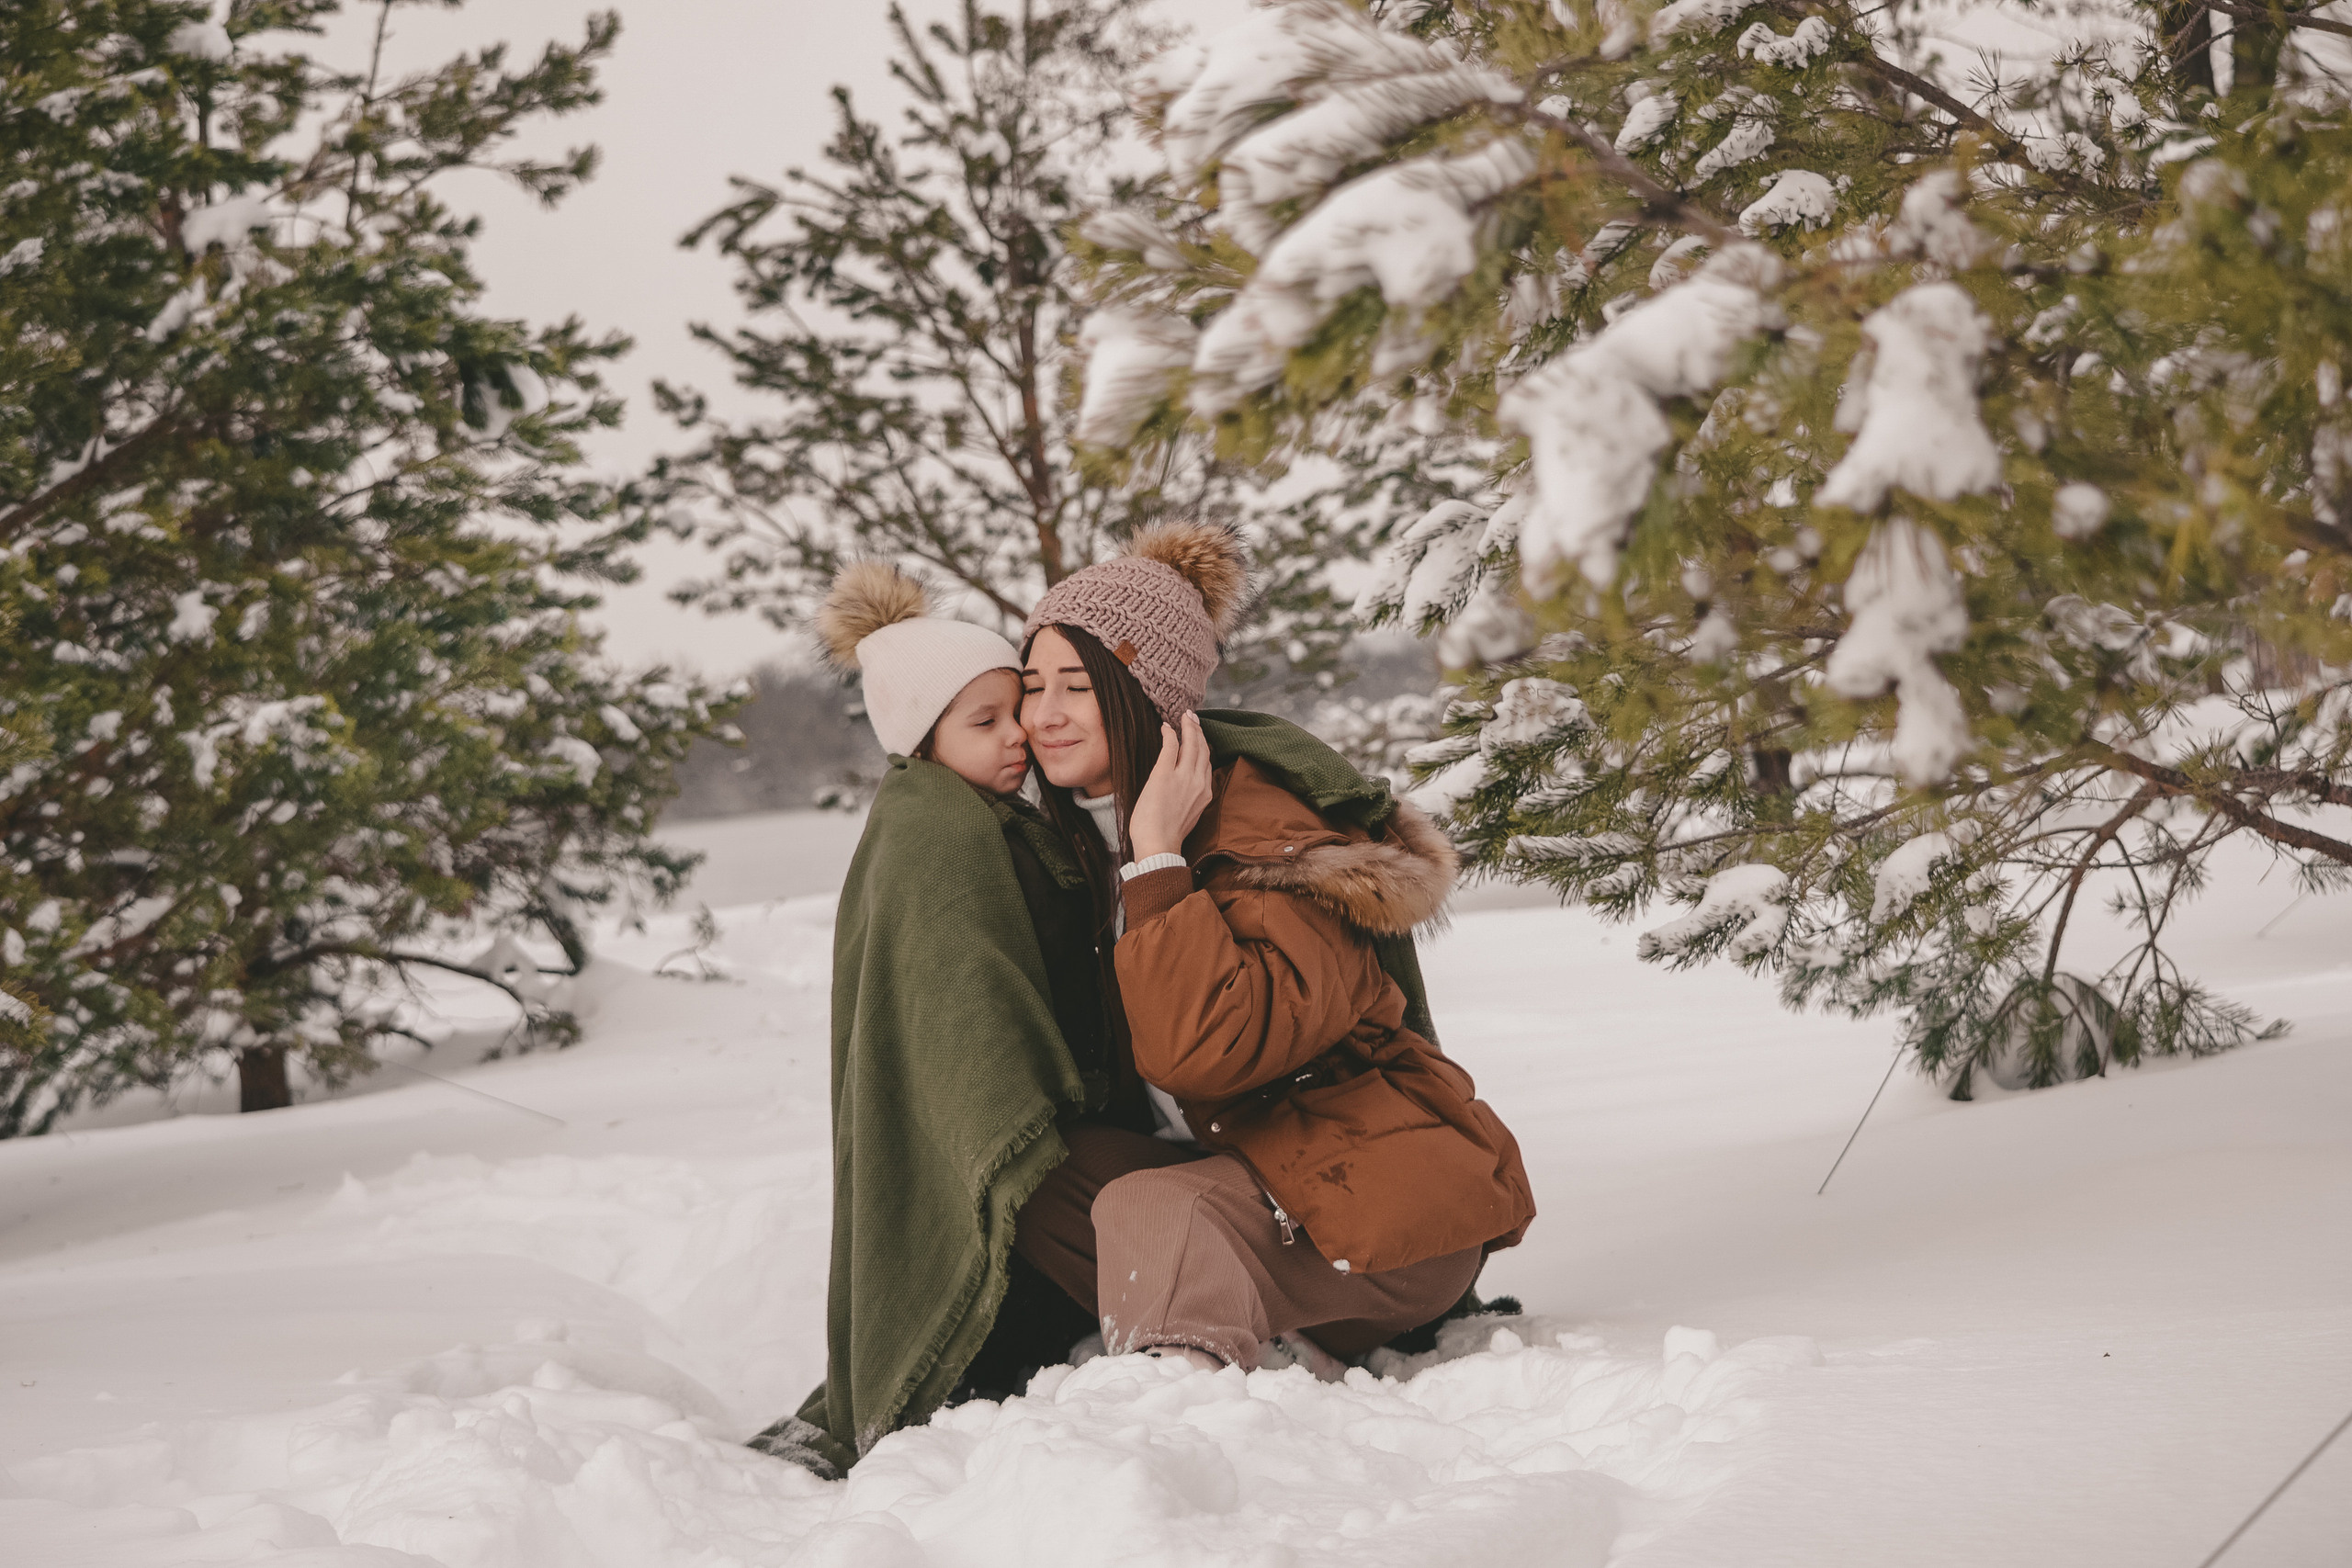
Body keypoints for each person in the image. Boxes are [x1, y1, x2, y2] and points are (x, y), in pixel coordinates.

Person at [1015, 522, 1537, 1374]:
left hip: (1378, 1209)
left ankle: (1181, 1383)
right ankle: (1255, 1318)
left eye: (1076, 685)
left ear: (1147, 696)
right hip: (1254, 1171)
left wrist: (1157, 859)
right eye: (1032, 684)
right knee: (1034, 1174)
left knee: (1154, 1204)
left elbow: (1206, 1052)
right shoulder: (1083, 840)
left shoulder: (1274, 841)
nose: (1044, 713)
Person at [750, 561, 1157, 1477]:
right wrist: (1037, 1086)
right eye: (986, 722)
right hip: (1019, 1121)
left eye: (1016, 709)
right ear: (922, 737)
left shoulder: (992, 814)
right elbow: (958, 997)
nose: (1019, 734)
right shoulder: (934, 827)